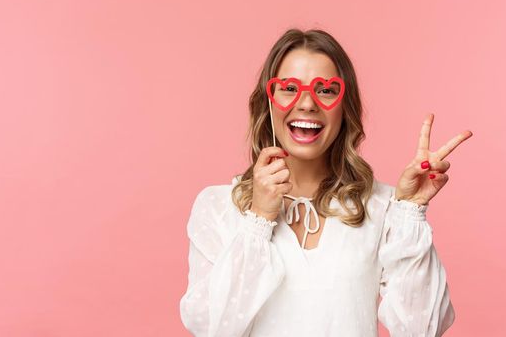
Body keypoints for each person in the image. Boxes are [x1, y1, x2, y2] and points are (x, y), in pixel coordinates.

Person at [178, 28, 471, 337]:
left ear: (346, 108)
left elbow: (422, 329)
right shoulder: (218, 207)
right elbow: (211, 328)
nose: (307, 103)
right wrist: (259, 218)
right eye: (289, 88)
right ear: (269, 101)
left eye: (327, 90)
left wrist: (411, 211)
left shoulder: (383, 207)